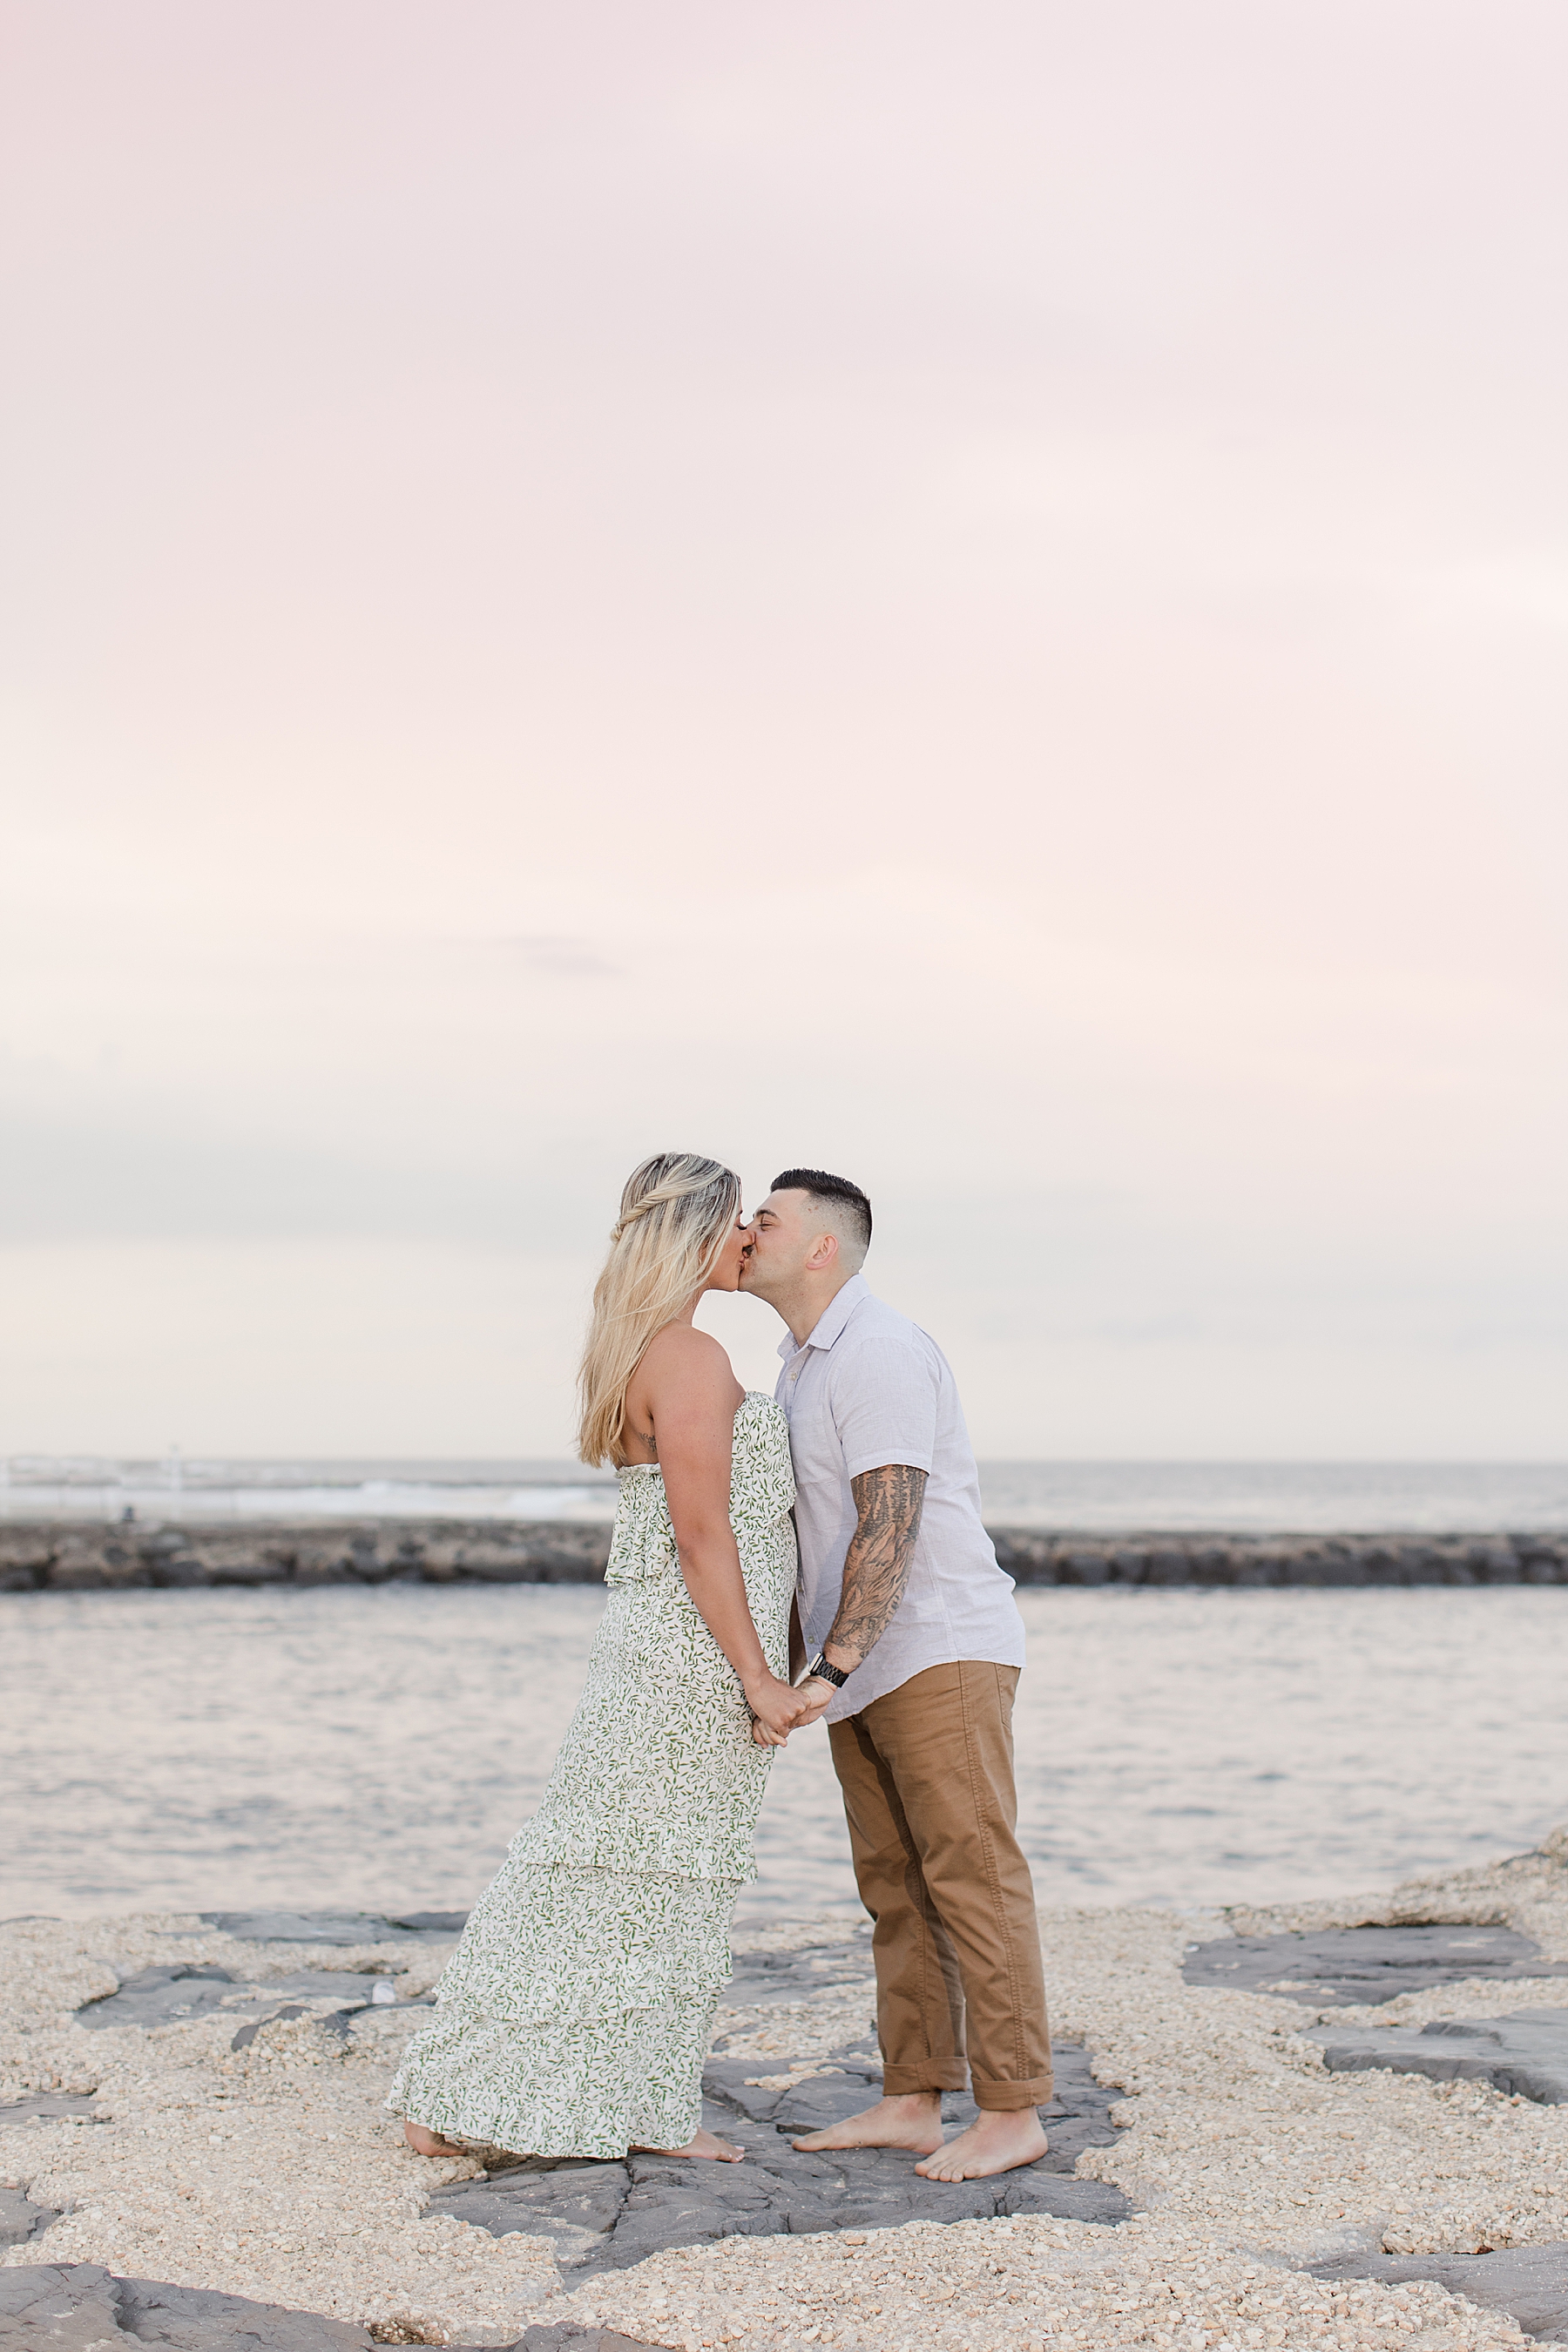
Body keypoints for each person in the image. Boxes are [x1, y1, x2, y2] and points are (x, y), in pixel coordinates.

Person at [389, 1152, 827, 2164]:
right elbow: (703, 1534)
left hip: (664, 1643)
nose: (748, 1244)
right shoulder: (691, 1358)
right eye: (736, 1229)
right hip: (692, 1655)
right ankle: (634, 2107)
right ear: (692, 1237)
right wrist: (760, 1676)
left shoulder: (641, 1350)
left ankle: (475, 2087)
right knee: (653, 1877)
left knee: (609, 1867)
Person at [740, 1169, 1052, 2181]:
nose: (747, 1232)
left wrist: (825, 1669)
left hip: (936, 1649)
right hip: (869, 1661)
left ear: (821, 1246)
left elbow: (890, 1522)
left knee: (972, 1872)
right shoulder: (800, 1361)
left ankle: (1012, 2111)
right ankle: (914, 2097)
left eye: (767, 1220)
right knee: (895, 1884)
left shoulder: (875, 1350)